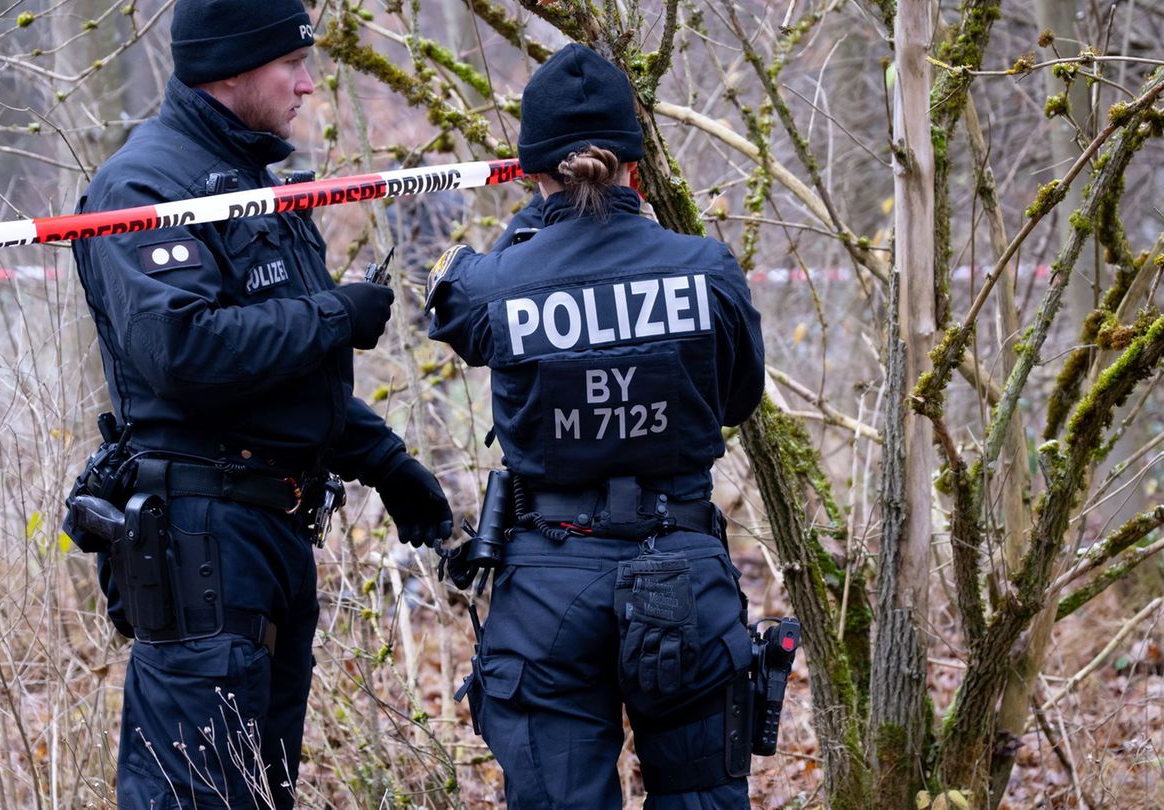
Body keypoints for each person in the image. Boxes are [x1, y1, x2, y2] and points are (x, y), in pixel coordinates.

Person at [66, 0, 453, 806]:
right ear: (231, 69)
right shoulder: (143, 185)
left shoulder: (248, 182)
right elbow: (184, 353)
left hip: (271, 537)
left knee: (261, 790)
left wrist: (388, 465)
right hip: (202, 543)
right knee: (195, 792)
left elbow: (289, 376)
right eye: (292, 65)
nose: (309, 85)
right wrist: (334, 313)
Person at [425, 44, 766, 809]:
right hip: (681, 562)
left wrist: (535, 223)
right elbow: (738, 399)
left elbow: (447, 300)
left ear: (531, 172)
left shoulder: (499, 283)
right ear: (635, 167)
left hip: (549, 580)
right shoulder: (706, 269)